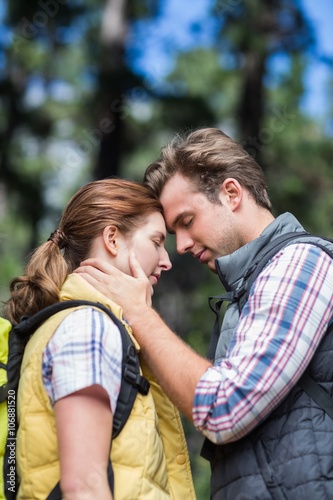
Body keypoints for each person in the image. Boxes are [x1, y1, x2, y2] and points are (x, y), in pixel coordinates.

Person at [75, 128, 333, 499]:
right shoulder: (252, 285)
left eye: (187, 220)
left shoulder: (298, 263)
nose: (180, 246)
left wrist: (138, 312)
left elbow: (225, 407)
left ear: (231, 194)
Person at [4, 179, 196, 500]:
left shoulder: (78, 321)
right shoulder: (89, 327)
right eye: (157, 241)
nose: (166, 260)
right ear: (112, 239)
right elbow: (83, 487)